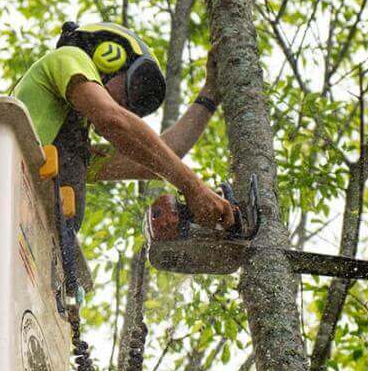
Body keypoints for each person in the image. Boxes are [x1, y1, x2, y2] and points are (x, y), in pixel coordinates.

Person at [13, 22, 234, 263]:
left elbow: (156, 158)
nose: (127, 108)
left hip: (30, 247)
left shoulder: (72, 149)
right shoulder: (68, 57)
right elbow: (113, 120)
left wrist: (210, 93)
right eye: (131, 91)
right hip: (10, 213)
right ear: (109, 56)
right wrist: (195, 188)